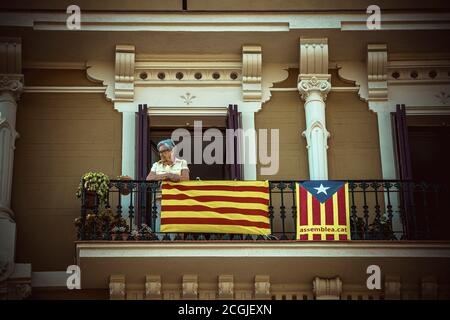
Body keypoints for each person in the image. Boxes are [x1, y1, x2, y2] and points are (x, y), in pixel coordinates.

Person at [146, 139, 189, 238]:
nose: (161, 154)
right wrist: (167, 176)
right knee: (160, 226)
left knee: (175, 227)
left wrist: (170, 176)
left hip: (177, 199)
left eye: (164, 151)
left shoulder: (182, 163)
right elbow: (149, 179)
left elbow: (186, 179)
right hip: (160, 199)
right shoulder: (156, 165)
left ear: (172, 151)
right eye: (160, 152)